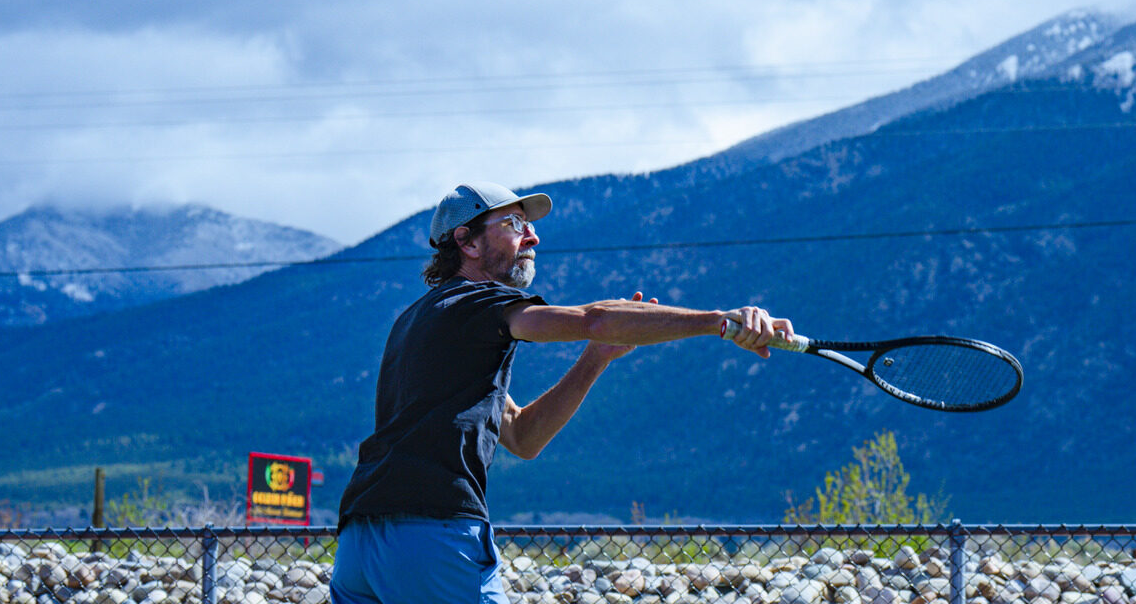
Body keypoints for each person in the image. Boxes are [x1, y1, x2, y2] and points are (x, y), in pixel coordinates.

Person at [330, 181, 791, 604]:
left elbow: (522, 437)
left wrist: (596, 359)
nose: (532, 238)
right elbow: (594, 318)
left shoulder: (418, 319)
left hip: (359, 545)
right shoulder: (479, 303)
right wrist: (720, 321)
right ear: (466, 242)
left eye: (529, 226)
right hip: (431, 538)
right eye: (513, 225)